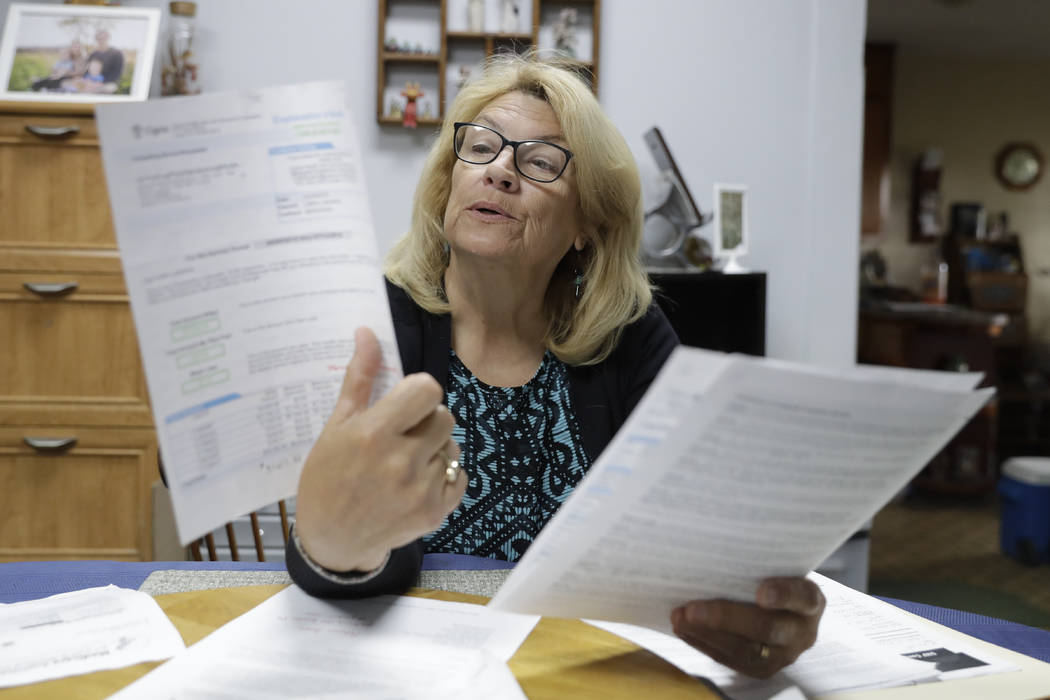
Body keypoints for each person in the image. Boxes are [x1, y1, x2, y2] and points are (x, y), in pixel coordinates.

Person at [288, 54, 824, 679]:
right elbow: (336, 544)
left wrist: (759, 602)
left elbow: (706, 521)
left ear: (586, 227)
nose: (500, 172)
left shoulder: (630, 338)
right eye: (481, 147)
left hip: (573, 671)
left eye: (540, 162)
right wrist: (331, 548)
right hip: (401, 669)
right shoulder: (379, 324)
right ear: (447, 187)